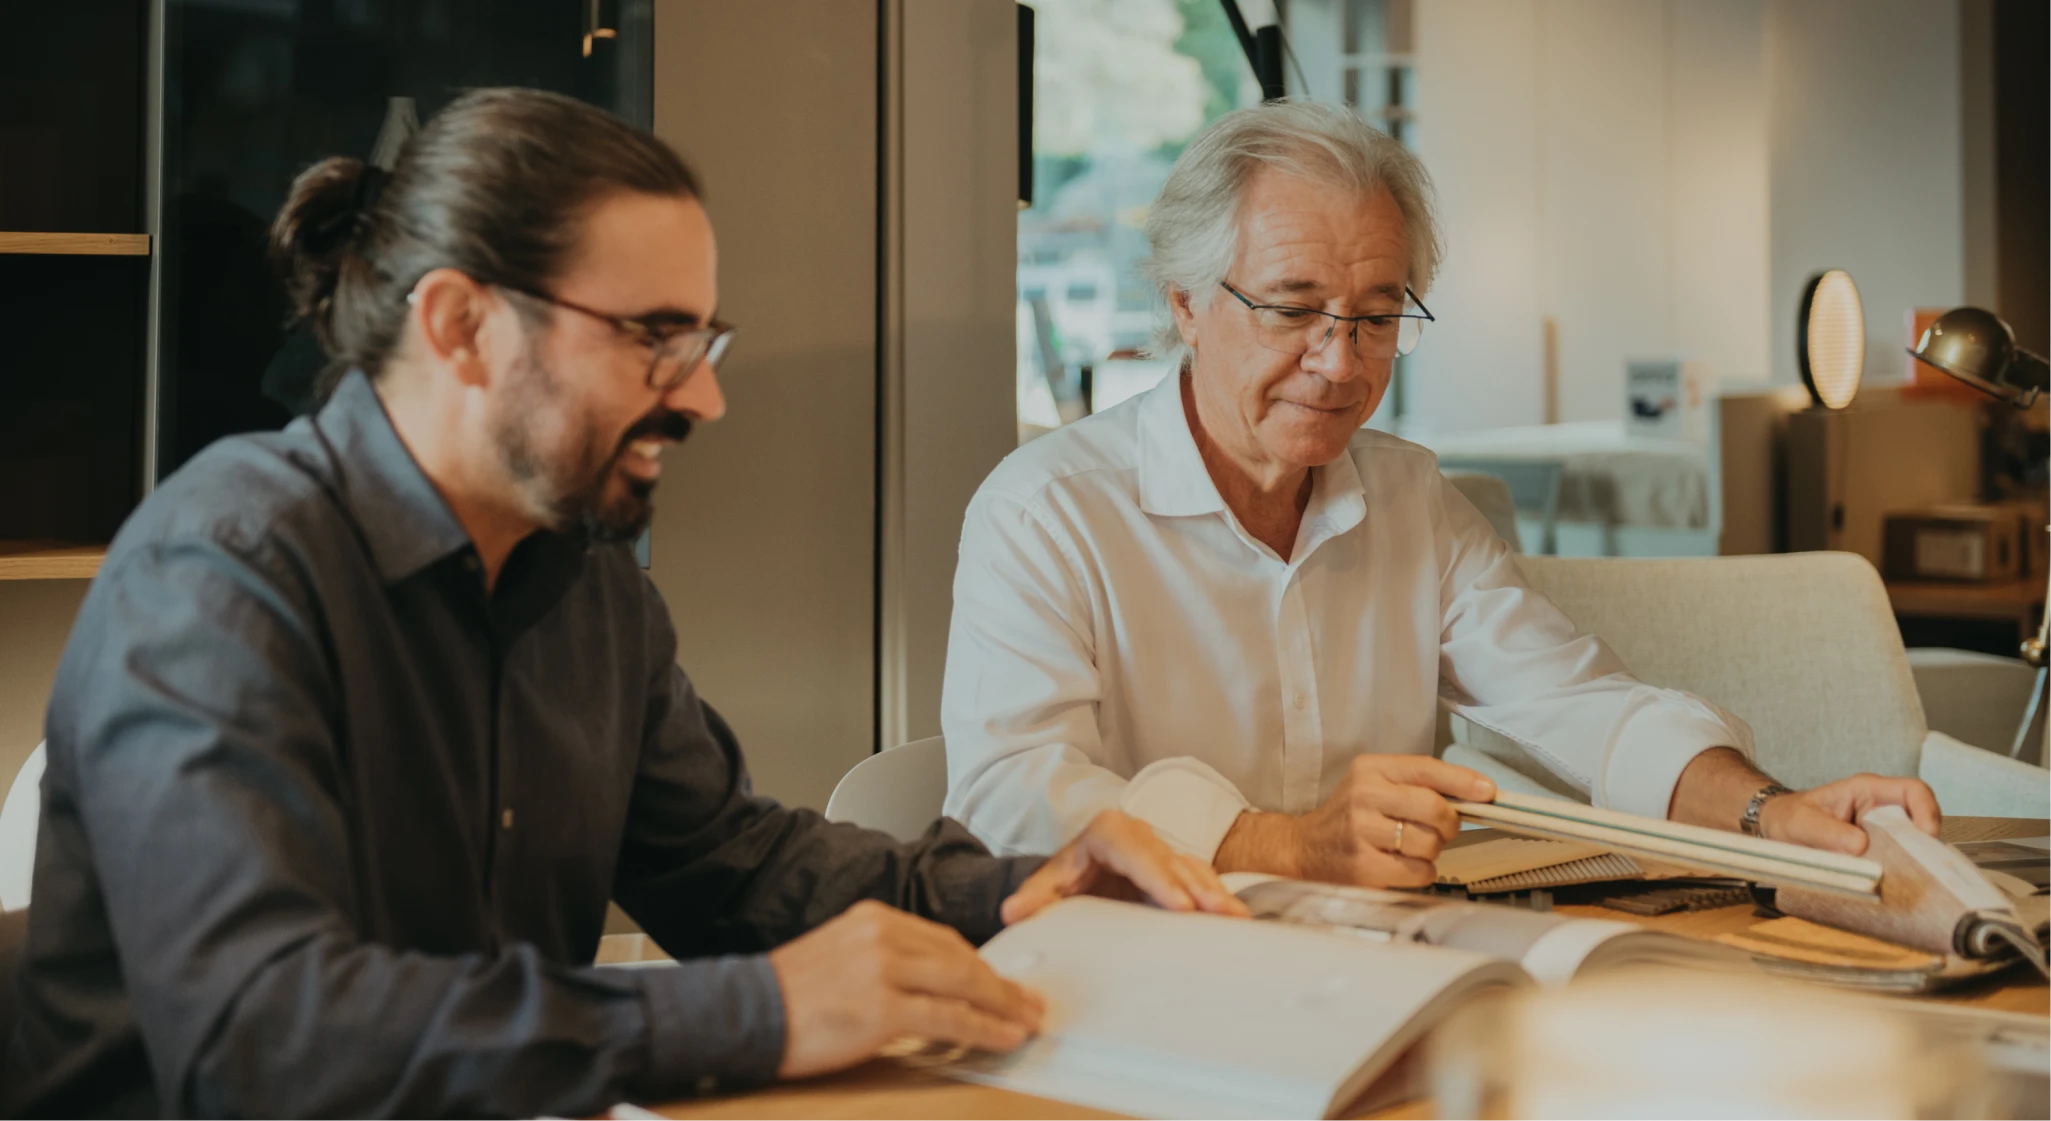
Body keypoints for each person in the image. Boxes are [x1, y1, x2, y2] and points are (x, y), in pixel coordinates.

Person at [2, 89, 1243, 1121]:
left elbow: (733, 866)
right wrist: (764, 1010)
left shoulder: (586, 586)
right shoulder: (221, 572)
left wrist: (1017, 889)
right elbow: (258, 1036)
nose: (702, 400)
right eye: (654, 336)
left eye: (705, 342)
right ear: (461, 325)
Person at [941, 100, 1940, 886]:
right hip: (1130, 969)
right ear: (1184, 304)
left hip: (1370, 962)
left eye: (1376, 318)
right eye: (1293, 310)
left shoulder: (1408, 497)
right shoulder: (1046, 511)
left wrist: (1771, 814)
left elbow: (1581, 704)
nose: (1338, 363)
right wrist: (1273, 843)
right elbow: (1012, 797)